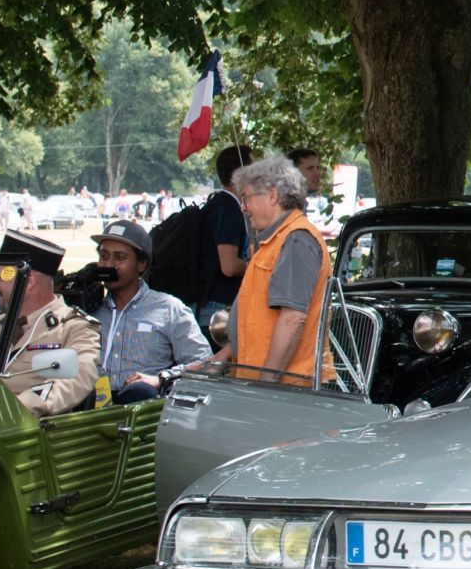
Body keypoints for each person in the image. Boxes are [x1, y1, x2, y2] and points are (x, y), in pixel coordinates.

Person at [211, 157, 332, 385]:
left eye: (246, 198)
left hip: (285, 391)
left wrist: (266, 381)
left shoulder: (296, 240)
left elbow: (292, 318)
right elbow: (259, 319)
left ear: (272, 196)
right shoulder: (274, 241)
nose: (243, 207)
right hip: (265, 387)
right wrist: (224, 356)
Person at [0, 230, 99, 416]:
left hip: (34, 431)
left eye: (1, 276)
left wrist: (14, 409)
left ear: (28, 281)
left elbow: (74, 380)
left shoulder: (73, 327)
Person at [91, 220, 211, 403]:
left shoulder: (168, 308)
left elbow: (205, 363)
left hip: (143, 410)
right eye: (104, 256)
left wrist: (161, 379)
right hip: (90, 410)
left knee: (140, 392)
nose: (109, 265)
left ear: (141, 264)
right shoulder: (88, 309)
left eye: (120, 258)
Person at [196, 145, 252, 333]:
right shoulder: (228, 210)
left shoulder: (220, 205)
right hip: (216, 312)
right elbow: (229, 267)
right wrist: (256, 263)